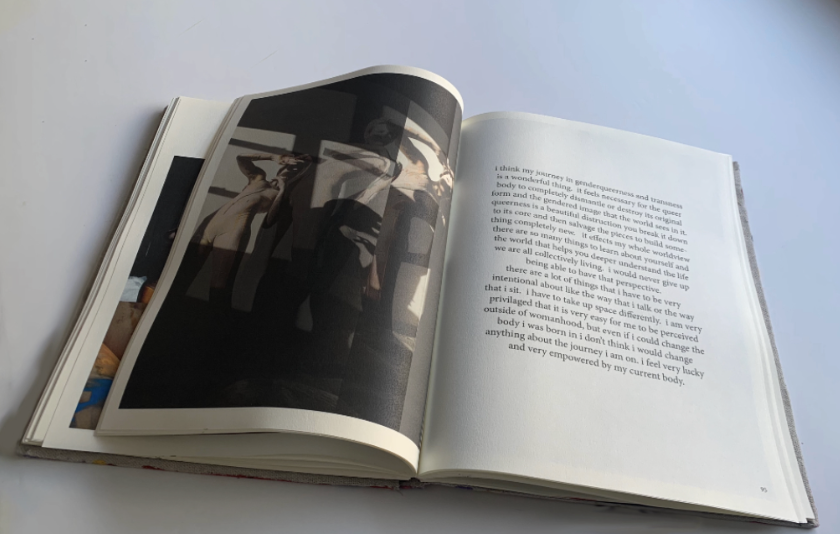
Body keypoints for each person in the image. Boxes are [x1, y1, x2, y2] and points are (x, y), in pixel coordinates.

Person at [197, 152, 306, 307]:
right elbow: (240, 157)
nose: (290, 169)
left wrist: (282, 191)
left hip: (233, 231)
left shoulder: (282, 197)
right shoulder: (259, 177)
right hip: (211, 224)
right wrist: (274, 157)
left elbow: (270, 221)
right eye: (290, 165)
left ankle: (214, 318)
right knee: (185, 270)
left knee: (219, 283)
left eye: (296, 169)